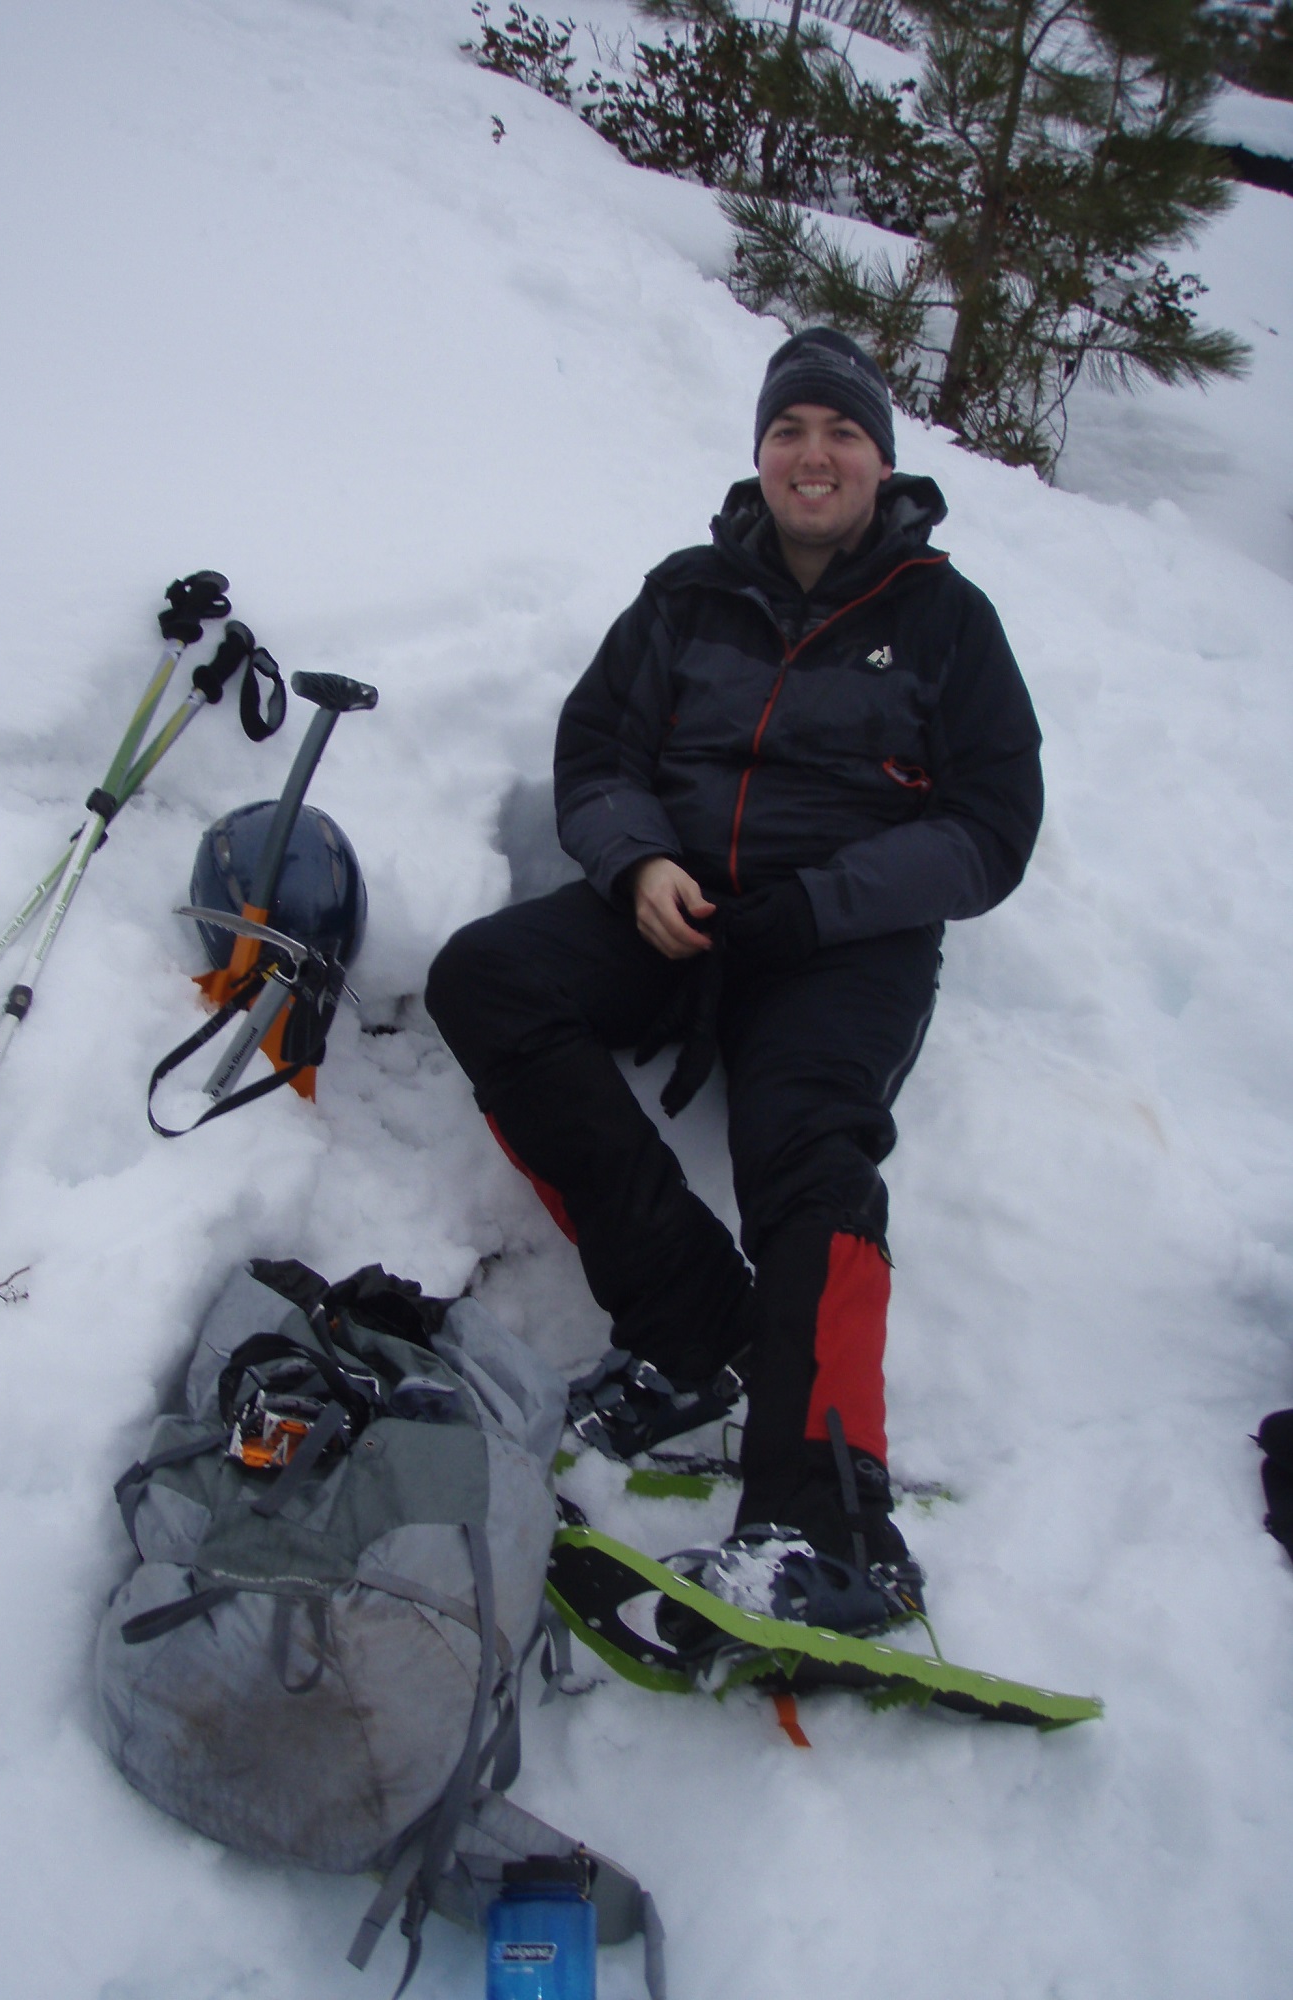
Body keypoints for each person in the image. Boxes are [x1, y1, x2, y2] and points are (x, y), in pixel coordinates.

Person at [425, 327, 1042, 1645]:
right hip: (678, 909)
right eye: (787, 431)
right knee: (488, 979)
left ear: (882, 457)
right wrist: (637, 860)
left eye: (840, 433)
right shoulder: (685, 594)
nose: (812, 454)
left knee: (802, 1140)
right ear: (759, 454)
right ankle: (690, 1322)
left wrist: (820, 905)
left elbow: (992, 830)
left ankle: (825, 1520)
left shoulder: (945, 620)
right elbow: (598, 750)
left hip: (840, 941)